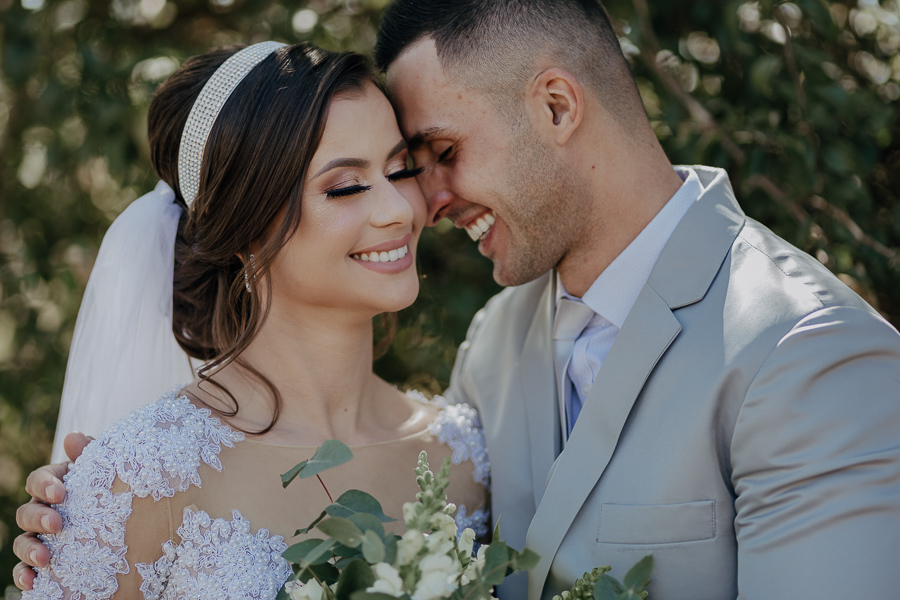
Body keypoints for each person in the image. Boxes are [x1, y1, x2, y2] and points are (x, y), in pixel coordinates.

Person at [15, 0, 900, 598]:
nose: (415, 204)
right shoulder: (498, 347)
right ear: (249, 226)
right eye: (349, 183)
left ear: (557, 107)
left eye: (422, 157)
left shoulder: (807, 353)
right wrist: (85, 503)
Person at [13, 41, 489, 598]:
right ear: (242, 227)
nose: (400, 210)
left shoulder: (465, 456)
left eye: (400, 169)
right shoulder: (138, 481)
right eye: (345, 186)